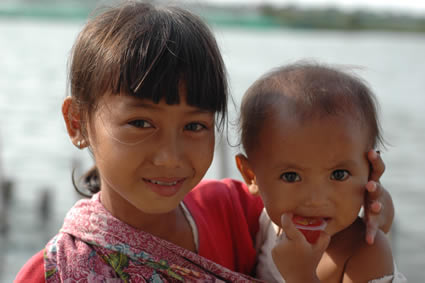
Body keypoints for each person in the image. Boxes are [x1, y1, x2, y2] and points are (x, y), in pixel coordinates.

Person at [15, 2, 393, 282]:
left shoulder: (235, 209)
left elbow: (343, 237)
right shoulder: (57, 271)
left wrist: (369, 199)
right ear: (77, 122)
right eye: (141, 122)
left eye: (195, 126)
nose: (170, 157)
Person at [235, 62, 406, 282]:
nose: (316, 199)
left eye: (339, 174)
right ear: (252, 176)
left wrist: (302, 277)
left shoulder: (366, 251)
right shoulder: (269, 223)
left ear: (370, 172)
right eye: (291, 176)